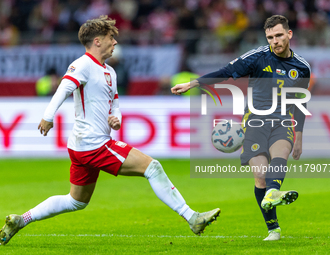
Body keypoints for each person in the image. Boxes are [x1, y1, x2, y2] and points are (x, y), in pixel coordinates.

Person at [0, 15, 220, 246]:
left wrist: (117, 119)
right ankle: (191, 217)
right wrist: (47, 116)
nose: (115, 42)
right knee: (153, 168)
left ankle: (21, 220)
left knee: (77, 201)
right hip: (93, 144)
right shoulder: (82, 64)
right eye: (110, 37)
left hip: (83, 145)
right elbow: (63, 88)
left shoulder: (110, 72)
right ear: (97, 41)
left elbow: (115, 105)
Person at [172, 15, 310, 241]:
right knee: (261, 177)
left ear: (289, 34)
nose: (274, 41)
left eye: (278, 36)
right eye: (270, 37)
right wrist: (192, 83)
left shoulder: (302, 68)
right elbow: (226, 71)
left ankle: (274, 195)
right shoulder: (257, 57)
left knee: (280, 154)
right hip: (255, 120)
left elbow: (301, 103)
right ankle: (273, 227)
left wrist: (300, 136)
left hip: (283, 120)